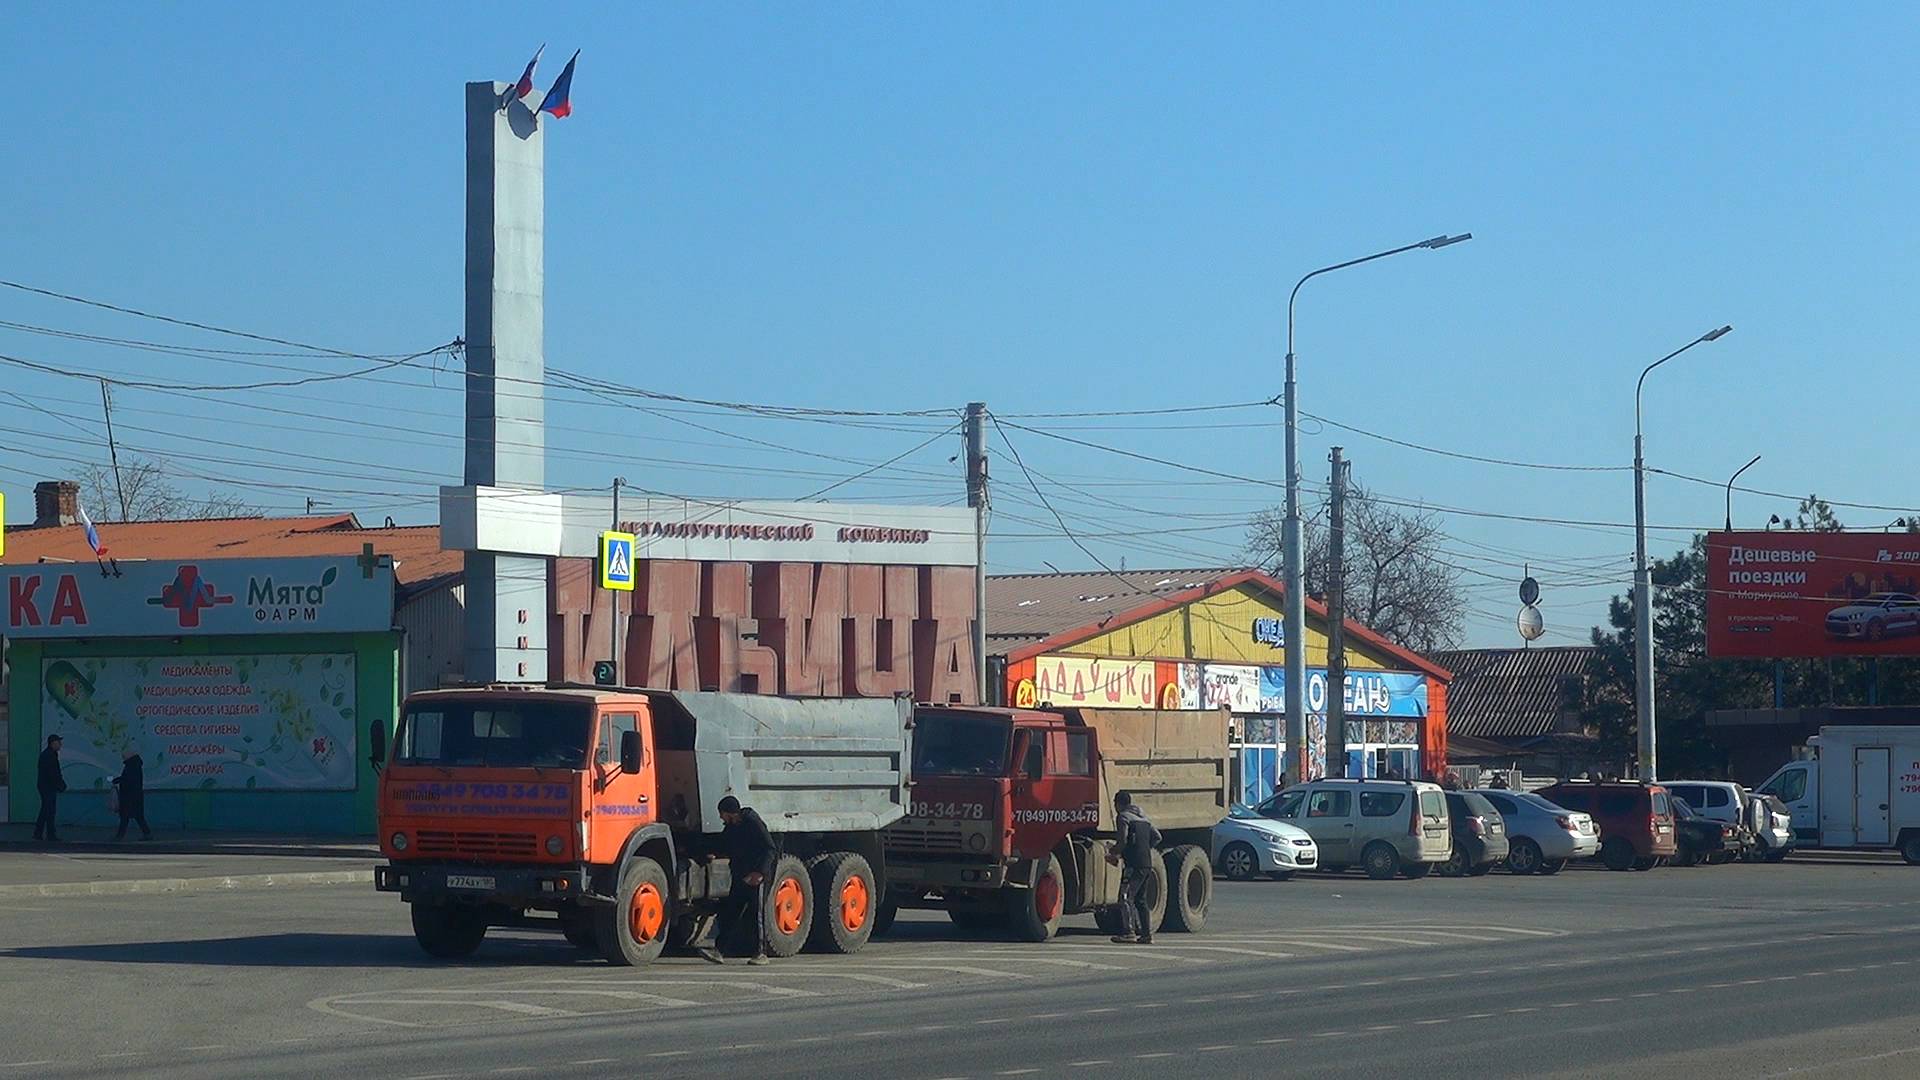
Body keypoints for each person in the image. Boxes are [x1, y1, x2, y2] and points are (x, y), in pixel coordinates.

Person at [701, 795, 777, 966]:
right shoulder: (731, 827)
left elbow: (770, 849)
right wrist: (711, 852)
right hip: (741, 874)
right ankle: (719, 951)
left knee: (756, 913)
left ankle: (761, 953)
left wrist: (760, 872)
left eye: (722, 813)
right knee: (731, 911)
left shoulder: (752, 822)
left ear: (730, 813)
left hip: (757, 876)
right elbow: (725, 844)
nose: (720, 817)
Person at [1107, 790, 1159, 945]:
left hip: (1134, 864)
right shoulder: (1144, 818)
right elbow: (1157, 837)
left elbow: (1122, 842)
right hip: (1146, 863)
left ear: (1118, 803)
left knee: (1125, 897)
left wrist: (1113, 851)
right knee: (1141, 900)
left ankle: (1128, 932)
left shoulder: (1123, 817)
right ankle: (1146, 935)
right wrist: (1144, 847)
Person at [112, 750, 152, 842]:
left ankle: (120, 836)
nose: (123, 759)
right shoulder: (135, 765)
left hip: (129, 795)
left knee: (125, 816)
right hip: (136, 794)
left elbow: (128, 779)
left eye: (124, 757)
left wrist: (118, 780)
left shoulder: (131, 766)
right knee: (138, 816)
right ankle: (147, 833)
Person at [33, 734, 67, 843]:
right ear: (53, 743)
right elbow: (53, 773)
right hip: (48, 787)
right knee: (50, 810)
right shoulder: (49, 755)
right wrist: (60, 784)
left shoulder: (49, 754)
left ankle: (39, 833)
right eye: (58, 742)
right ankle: (50, 834)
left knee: (45, 810)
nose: (60, 745)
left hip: (46, 786)